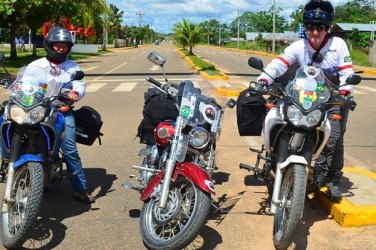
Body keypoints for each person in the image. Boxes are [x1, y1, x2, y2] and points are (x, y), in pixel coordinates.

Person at [256, 0, 355, 201]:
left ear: (327, 28)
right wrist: (264, 79)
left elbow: (347, 73)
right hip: (305, 98)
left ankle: (333, 180)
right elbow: (279, 64)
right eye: (310, 27)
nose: (315, 33)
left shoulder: (338, 45)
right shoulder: (298, 46)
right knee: (285, 123)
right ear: (305, 28)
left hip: (332, 101)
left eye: (320, 28)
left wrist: (345, 92)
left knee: (333, 139)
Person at [29, 27, 95, 203]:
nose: (61, 49)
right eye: (57, 45)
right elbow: (23, 84)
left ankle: (80, 188)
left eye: (64, 46)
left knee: (70, 150)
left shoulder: (73, 67)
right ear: (49, 45)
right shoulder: (36, 65)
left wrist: (74, 95)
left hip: (61, 112)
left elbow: (80, 86)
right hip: (35, 111)